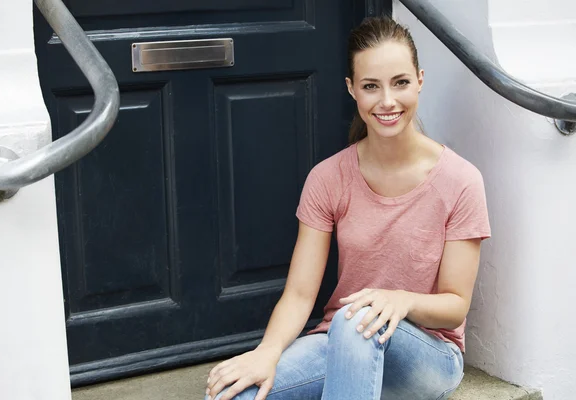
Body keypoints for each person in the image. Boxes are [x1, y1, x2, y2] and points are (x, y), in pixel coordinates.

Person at [205, 16, 490, 400]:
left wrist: (400, 300)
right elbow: (301, 294)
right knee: (230, 395)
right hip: (341, 340)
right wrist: (266, 353)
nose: (387, 101)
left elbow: (455, 306)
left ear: (420, 80)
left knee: (357, 321)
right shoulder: (328, 178)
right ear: (352, 89)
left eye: (400, 83)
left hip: (427, 354)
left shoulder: (461, 180)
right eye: (371, 86)